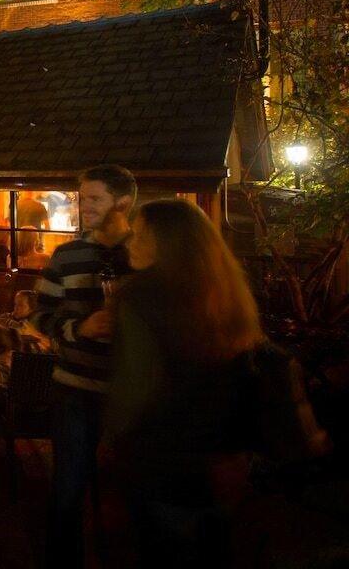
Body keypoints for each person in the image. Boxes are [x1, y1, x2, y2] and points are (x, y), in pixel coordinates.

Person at [106, 199, 273, 568]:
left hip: (164, 460)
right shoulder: (226, 290)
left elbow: (134, 388)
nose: (129, 243)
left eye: (139, 235)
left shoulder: (141, 294)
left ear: (166, 241)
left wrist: (109, 439)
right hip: (224, 460)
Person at [29, 164, 136, 569]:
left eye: (94, 199)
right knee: (68, 487)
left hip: (130, 392)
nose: (83, 206)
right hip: (74, 388)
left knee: (136, 489)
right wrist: (79, 328)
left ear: (122, 203)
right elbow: (40, 315)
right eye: (81, 197)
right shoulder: (66, 254)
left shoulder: (143, 254)